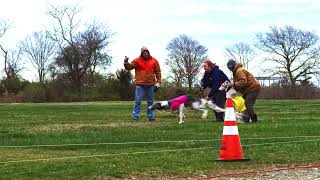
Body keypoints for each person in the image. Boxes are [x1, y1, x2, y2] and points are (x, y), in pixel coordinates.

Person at [124, 46, 161, 121]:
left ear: (148, 52)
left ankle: (151, 117)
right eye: (144, 52)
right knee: (138, 101)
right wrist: (126, 62)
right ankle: (135, 117)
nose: (146, 54)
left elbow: (158, 72)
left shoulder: (154, 61)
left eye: (146, 52)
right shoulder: (137, 60)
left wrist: (158, 82)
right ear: (142, 53)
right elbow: (129, 67)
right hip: (140, 85)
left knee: (150, 102)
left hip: (151, 85)